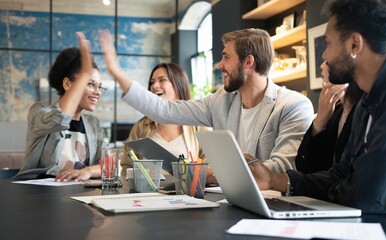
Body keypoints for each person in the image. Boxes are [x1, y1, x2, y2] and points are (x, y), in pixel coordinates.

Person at [248, 0, 386, 214]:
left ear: (355, 44)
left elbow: (367, 194)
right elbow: (341, 175)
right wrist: (274, 180)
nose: (324, 55)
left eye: (327, 43)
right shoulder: (367, 101)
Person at [100, 28, 314, 173]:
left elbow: (282, 168)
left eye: (226, 57)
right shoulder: (221, 100)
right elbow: (163, 111)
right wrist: (118, 74)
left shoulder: (293, 105)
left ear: (248, 62)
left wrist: (215, 172)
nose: (219, 65)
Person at [14, 33, 105, 181]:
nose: (98, 92)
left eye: (100, 87)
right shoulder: (39, 112)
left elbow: (108, 164)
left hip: (79, 194)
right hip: (41, 194)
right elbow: (60, 118)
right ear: (68, 84)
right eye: (90, 84)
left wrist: (88, 171)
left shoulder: (93, 124)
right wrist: (84, 74)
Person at [121, 62, 216, 184]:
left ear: (178, 85)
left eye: (162, 80)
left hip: (187, 199)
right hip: (147, 198)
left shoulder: (199, 127)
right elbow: (126, 168)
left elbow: (212, 170)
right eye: (152, 82)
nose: (155, 86)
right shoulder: (141, 126)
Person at [295, 62, 364, 173]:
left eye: (327, 62)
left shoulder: (364, 113)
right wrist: (319, 122)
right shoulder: (334, 112)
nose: (321, 66)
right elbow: (304, 167)